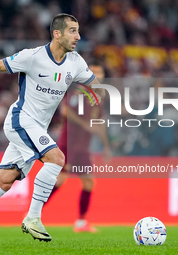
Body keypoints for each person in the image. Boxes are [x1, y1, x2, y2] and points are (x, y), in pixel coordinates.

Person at [0, 13, 104, 244]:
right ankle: (33, 218)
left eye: (78, 31)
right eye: (72, 31)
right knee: (57, 159)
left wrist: (97, 92)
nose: (78, 36)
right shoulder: (33, 56)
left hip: (38, 128)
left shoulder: (76, 62)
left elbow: (94, 85)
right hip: (21, 120)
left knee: (4, 181)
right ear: (57, 34)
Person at [46, 63, 111, 233]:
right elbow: (66, 111)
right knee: (66, 179)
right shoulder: (79, 92)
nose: (97, 75)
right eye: (94, 72)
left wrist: (106, 146)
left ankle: (80, 222)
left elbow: (100, 123)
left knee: (84, 181)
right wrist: (85, 124)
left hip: (82, 147)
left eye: (100, 72)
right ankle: (33, 213)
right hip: (70, 143)